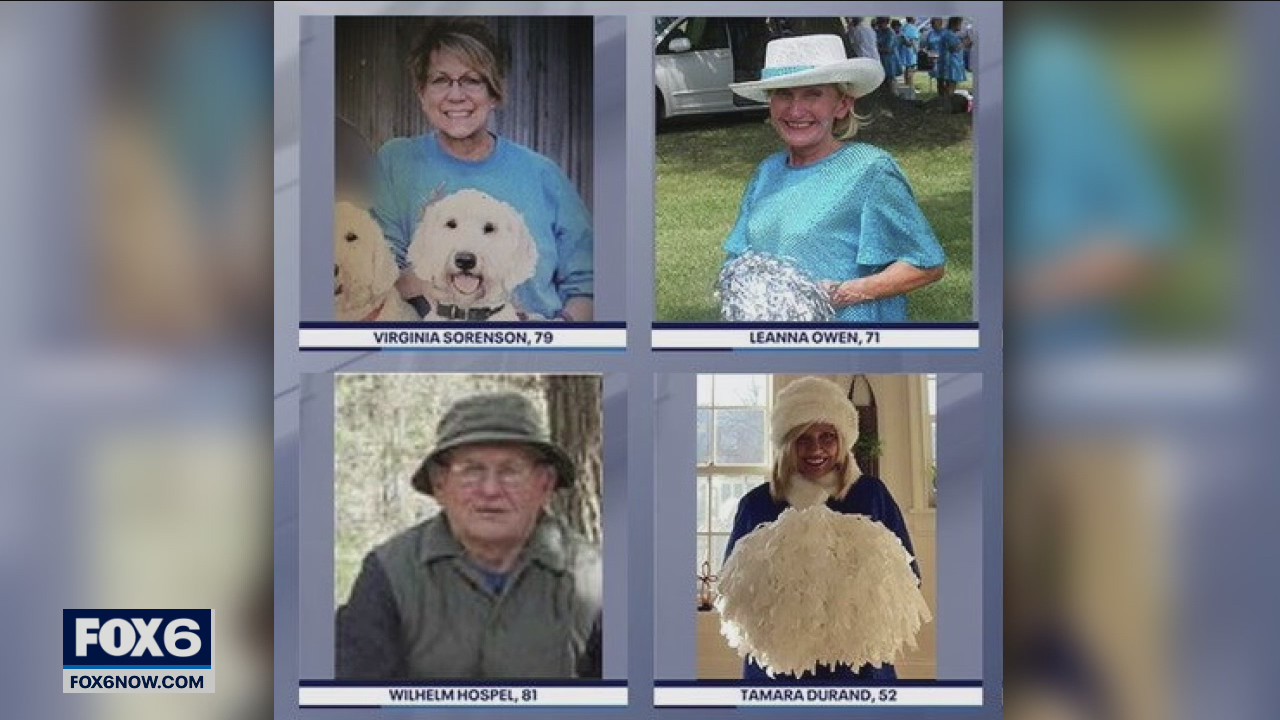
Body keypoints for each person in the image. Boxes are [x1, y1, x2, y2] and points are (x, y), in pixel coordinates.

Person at [335, 392, 603, 679]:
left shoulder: (596, 578)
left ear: (545, 484)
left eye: (510, 471)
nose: (490, 489)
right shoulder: (390, 572)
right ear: (440, 484)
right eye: (471, 471)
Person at [372, 18, 594, 321]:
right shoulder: (397, 162)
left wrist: (555, 335)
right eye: (440, 80)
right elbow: (375, 275)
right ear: (422, 93)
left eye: (472, 80)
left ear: (494, 93)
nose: (456, 95)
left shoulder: (544, 174)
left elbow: (589, 284)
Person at [724, 35, 946, 322]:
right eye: (783, 93)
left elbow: (927, 264)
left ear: (842, 105)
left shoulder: (870, 170)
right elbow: (739, 258)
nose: (795, 110)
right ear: (770, 104)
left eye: (813, 94)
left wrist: (840, 294)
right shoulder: (767, 172)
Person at [724, 376, 919, 681]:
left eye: (827, 436)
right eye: (803, 438)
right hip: (779, 674)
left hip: (858, 671)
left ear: (843, 440)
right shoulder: (757, 505)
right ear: (786, 444)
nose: (816, 449)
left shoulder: (871, 495)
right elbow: (732, 593)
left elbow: (910, 578)